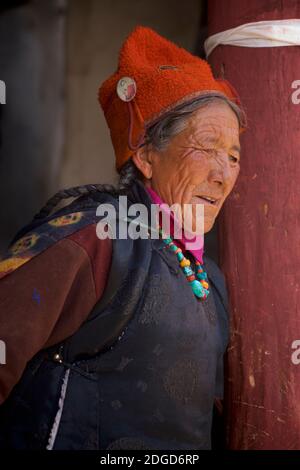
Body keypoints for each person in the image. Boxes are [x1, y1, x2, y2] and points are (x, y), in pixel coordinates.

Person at [0, 25, 246, 450]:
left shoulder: (210, 279)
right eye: (206, 147)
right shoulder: (95, 240)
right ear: (147, 155)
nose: (223, 175)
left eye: (234, 155)